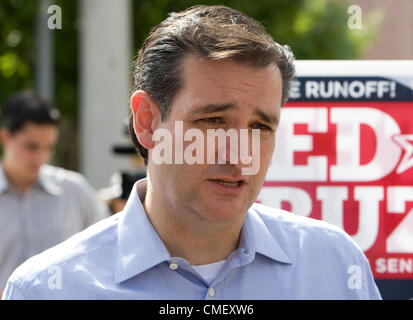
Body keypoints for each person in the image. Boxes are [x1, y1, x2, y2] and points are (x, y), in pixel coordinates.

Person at [3, 5, 381, 299]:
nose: (240, 155)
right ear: (147, 121)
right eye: (214, 121)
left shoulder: (336, 267)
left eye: (260, 127)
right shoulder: (46, 289)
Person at [0, 90, 109, 295]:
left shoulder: (75, 191)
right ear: (6, 137)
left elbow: (109, 251)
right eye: (31, 147)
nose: (41, 157)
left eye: (49, 147)